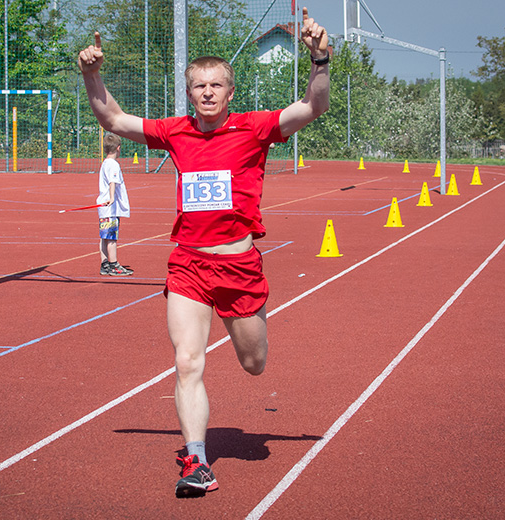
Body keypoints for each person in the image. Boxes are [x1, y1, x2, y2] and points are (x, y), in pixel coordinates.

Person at [79, 7, 329, 497]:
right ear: (189, 93)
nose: (209, 92)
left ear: (230, 92)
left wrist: (320, 61)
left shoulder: (256, 128)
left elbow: (311, 107)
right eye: (200, 86)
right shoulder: (175, 132)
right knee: (188, 361)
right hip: (188, 263)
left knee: (253, 363)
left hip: (238, 265)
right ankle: (197, 460)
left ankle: (251, 329)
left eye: (217, 85)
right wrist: (91, 73)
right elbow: (111, 116)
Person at [97, 132, 133, 276]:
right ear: (118, 148)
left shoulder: (105, 163)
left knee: (104, 236)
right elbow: (113, 182)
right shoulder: (113, 164)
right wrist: (112, 198)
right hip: (109, 207)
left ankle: (104, 263)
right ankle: (113, 265)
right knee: (111, 237)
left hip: (103, 206)